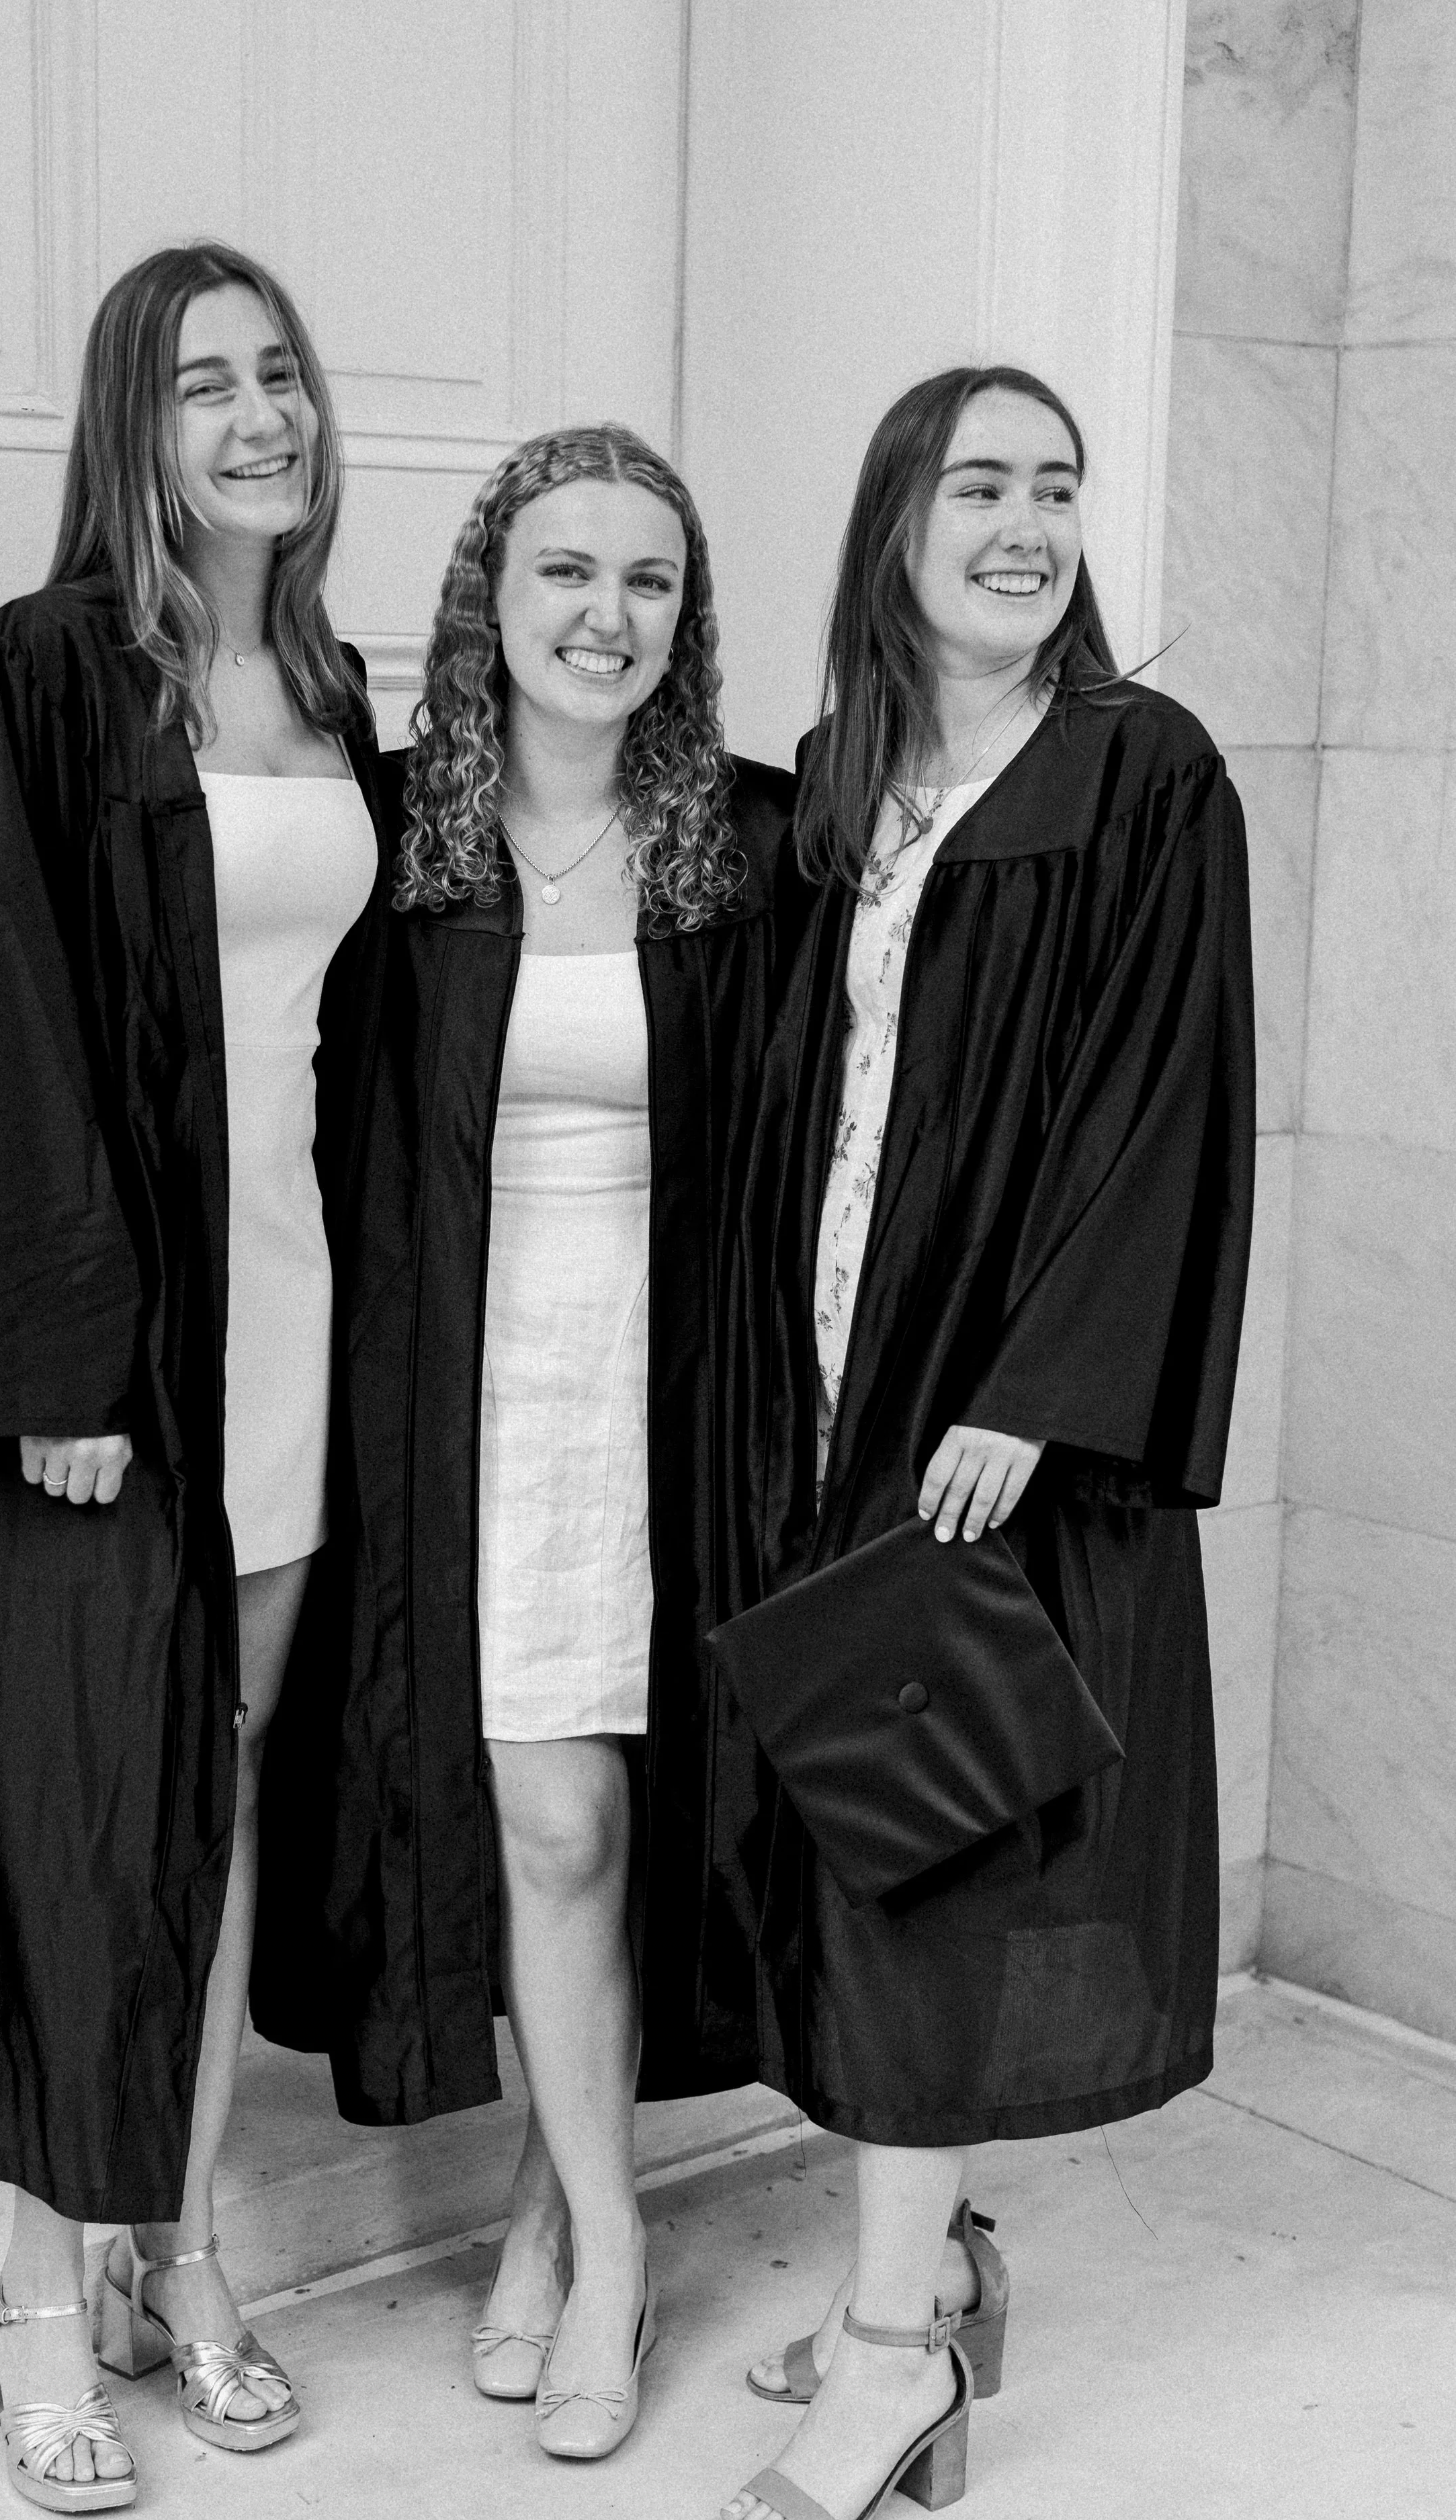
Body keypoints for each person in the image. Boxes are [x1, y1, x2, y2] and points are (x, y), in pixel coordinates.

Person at [0, 241, 390, 2511]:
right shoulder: (51, 669)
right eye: (204, 385)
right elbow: (5, 1016)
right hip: (112, 1351)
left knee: (225, 1795)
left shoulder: (333, 680)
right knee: (89, 1812)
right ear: (133, 428)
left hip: (295, 1315)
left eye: (279, 373)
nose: (259, 415)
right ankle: (30, 2296)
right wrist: (57, 1355)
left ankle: (177, 2252)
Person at [718, 366, 1255, 2520]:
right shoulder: (845, 780)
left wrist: (1035, 1389)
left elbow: (1166, 1095)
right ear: (896, 523)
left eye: (1054, 487)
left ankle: (888, 2360)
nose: (1023, 524)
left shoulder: (1140, 767)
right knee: (872, 1834)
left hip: (993, 1419)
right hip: (836, 1392)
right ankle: (927, 2263)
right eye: (979, 486)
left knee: (925, 1866)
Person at [251, 424, 796, 2465]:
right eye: (566, 569)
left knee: (625, 1817)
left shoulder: (752, 838)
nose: (605, 614)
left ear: (687, 618)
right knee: (550, 1821)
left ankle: (564, 2221)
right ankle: (604, 2226)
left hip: (682, 1395)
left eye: (649, 579)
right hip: (466, 1397)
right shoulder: (397, 837)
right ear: (490, 591)